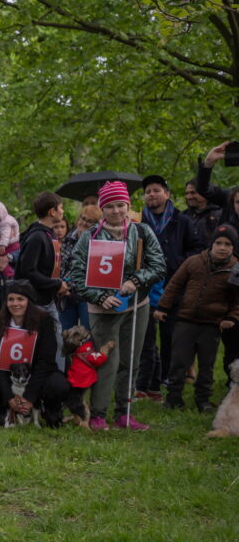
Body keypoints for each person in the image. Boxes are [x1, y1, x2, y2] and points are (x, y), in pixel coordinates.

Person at [67, 181, 166, 431]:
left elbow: (159, 266)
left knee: (130, 359)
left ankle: (125, 413)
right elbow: (76, 274)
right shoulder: (90, 236)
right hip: (103, 308)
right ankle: (99, 414)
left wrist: (136, 280)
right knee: (106, 360)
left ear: (128, 205)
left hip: (137, 304)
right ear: (102, 208)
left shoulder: (142, 231)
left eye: (120, 205)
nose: (116, 211)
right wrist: (99, 296)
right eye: (109, 206)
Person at [0, 281, 69, 426]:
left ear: (29, 302)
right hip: (9, 375)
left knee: (59, 383)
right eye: (11, 299)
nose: (15, 304)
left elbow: (46, 361)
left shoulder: (44, 321)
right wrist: (9, 397)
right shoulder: (1, 323)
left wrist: (29, 397)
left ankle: (50, 413)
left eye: (20, 299)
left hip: (37, 373)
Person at [156, 225, 239, 412]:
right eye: (218, 243)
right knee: (178, 362)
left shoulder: (235, 269)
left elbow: (237, 300)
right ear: (212, 244)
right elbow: (174, 285)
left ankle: (203, 400)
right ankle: (173, 398)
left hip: (212, 325)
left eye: (228, 244)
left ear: (233, 247)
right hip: (185, 321)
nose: (222, 247)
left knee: (206, 366)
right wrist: (163, 307)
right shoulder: (193, 261)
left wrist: (231, 318)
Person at [135, 174, 201, 401]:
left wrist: (177, 262)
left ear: (167, 194)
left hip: (174, 286)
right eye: (147, 192)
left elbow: (197, 249)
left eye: (156, 190)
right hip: (145, 285)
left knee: (171, 336)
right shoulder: (138, 220)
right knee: (146, 337)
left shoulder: (182, 221)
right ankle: (147, 382)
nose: (151, 195)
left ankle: (168, 378)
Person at [14, 191, 69, 370]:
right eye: (60, 207)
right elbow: (28, 271)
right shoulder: (37, 237)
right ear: (52, 211)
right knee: (35, 345)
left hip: (47, 299)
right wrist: (56, 284)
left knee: (56, 341)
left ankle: (56, 381)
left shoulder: (48, 235)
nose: (63, 211)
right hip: (35, 302)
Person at [58, 204, 101, 331]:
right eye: (82, 218)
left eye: (90, 221)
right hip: (67, 294)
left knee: (88, 334)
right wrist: (61, 284)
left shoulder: (97, 243)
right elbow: (62, 266)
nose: (84, 223)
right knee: (66, 334)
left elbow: (89, 270)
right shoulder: (68, 238)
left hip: (86, 296)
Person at [182, 177, 220, 247]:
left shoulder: (219, 215)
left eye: (193, 193)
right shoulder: (182, 216)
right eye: (187, 193)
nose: (189, 197)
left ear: (206, 192)